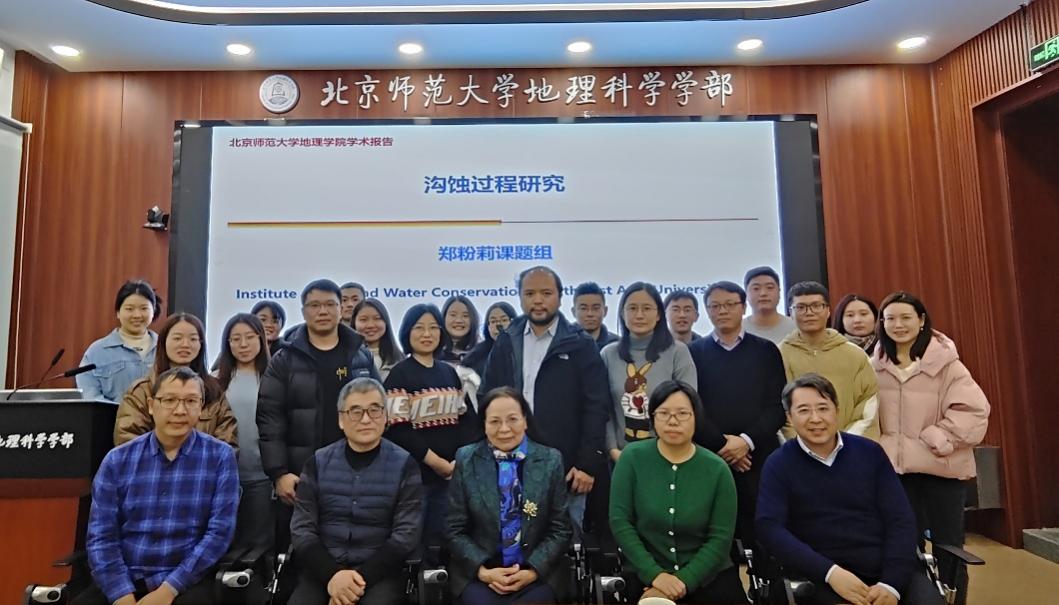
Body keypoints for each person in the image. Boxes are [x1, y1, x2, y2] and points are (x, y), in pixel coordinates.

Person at [756, 373, 941, 605]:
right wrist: (830, 573)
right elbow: (769, 528)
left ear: (837, 410)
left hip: (885, 569)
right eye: (803, 411)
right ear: (789, 418)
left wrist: (891, 584)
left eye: (823, 408)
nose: (815, 418)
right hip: (820, 576)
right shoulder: (779, 464)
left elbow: (900, 519)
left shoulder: (870, 453)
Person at [77, 367, 239, 605]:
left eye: (190, 401)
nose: (180, 410)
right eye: (169, 400)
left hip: (186, 582)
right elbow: (101, 537)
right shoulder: (117, 460)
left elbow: (219, 534)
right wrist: (120, 594)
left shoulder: (220, 457)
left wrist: (169, 590)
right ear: (151, 406)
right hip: (125, 578)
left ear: (201, 407)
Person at [873, 292, 990, 602]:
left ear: (922, 320)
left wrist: (939, 437)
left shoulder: (948, 364)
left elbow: (975, 411)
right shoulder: (875, 365)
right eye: (890, 318)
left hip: (942, 471)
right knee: (902, 546)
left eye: (906, 317)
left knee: (949, 548)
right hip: (896, 474)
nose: (898, 325)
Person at [256, 278, 380, 562]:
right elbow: (269, 419)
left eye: (329, 304)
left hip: (356, 473)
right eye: (314, 305)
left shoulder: (360, 355)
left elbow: (377, 411)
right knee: (304, 555)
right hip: (301, 476)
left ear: (341, 309)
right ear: (303, 311)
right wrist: (279, 473)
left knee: (355, 550)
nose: (322, 311)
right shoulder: (285, 359)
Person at [482, 266, 611, 531]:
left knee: (564, 539)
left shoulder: (580, 343)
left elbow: (596, 406)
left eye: (546, 293)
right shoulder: (507, 340)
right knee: (512, 539)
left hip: (566, 468)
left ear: (560, 297)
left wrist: (587, 464)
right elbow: (487, 397)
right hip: (510, 463)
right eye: (530, 293)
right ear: (520, 297)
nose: (538, 300)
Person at [289, 378, 423, 605]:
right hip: (323, 570)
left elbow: (406, 535)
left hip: (380, 573)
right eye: (356, 412)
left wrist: (355, 583)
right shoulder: (318, 463)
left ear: (385, 416)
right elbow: (302, 530)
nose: (366, 419)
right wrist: (333, 577)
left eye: (374, 410)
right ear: (341, 419)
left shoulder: (405, 465)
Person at [609, 380, 745, 604]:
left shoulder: (717, 469)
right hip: (645, 572)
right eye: (663, 413)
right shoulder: (632, 458)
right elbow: (620, 522)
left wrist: (683, 580)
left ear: (696, 418)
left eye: (682, 413)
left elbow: (720, 538)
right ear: (653, 417)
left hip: (708, 576)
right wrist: (655, 575)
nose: (673, 421)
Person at [447, 387, 573, 605]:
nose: (504, 429)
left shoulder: (550, 460)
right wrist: (484, 572)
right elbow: (454, 529)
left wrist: (533, 571)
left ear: (525, 421)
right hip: (481, 573)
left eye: (512, 419)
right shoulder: (467, 459)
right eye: (494, 421)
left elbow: (560, 528)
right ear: (484, 424)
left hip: (536, 573)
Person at [689, 281, 786, 545]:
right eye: (715, 306)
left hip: (759, 456)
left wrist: (745, 442)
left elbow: (777, 407)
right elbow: (692, 408)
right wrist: (723, 445)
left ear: (743, 308)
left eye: (730, 304)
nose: (722, 311)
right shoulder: (693, 353)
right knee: (716, 532)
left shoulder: (766, 350)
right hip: (710, 456)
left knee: (762, 532)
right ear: (707, 311)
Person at [385, 303, 481, 550]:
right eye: (419, 328)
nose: (427, 334)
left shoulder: (449, 373)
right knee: (416, 541)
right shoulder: (399, 374)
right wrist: (436, 462)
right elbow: (398, 429)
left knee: (446, 538)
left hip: (451, 476)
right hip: (415, 477)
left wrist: (457, 460)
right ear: (407, 332)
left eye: (433, 328)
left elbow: (465, 420)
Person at [601, 282, 697, 461]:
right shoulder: (608, 354)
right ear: (622, 313)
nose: (639, 315)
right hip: (621, 457)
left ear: (659, 314)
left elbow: (687, 407)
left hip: (668, 455)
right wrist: (612, 449)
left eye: (646, 308)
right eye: (632, 308)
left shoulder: (677, 352)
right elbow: (604, 409)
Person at [114, 313, 237, 448]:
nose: (185, 344)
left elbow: (227, 442)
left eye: (193, 339)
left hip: (204, 461)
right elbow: (128, 439)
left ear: (201, 344)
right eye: (177, 338)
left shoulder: (214, 390)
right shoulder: (142, 391)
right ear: (163, 342)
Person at [779, 281, 879, 440]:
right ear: (790, 313)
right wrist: (801, 445)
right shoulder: (778, 355)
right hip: (796, 448)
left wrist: (843, 444)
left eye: (816, 306)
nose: (809, 312)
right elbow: (776, 408)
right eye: (801, 307)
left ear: (828, 311)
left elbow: (868, 405)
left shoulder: (855, 355)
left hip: (849, 447)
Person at [214, 313, 273, 554]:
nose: (243, 344)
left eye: (250, 337)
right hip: (224, 477)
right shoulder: (216, 381)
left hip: (263, 476)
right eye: (236, 339)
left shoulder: (274, 377)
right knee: (226, 544)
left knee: (258, 547)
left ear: (261, 339)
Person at [77, 280, 160, 403]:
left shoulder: (165, 347)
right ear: (118, 312)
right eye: (129, 309)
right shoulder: (97, 352)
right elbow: (89, 396)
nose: (137, 315)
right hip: (111, 416)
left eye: (144, 308)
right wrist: (122, 411)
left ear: (153, 310)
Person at [461, 301, 517, 379]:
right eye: (493, 321)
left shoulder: (524, 349)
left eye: (504, 320)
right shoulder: (476, 356)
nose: (498, 325)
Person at [352, 298, 404, 381]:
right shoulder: (345, 357)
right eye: (363, 320)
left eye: (377, 318)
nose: (370, 325)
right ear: (354, 322)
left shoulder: (400, 360)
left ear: (386, 322)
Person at [743, 266, 797, 345]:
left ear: (779, 292)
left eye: (769, 287)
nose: (763, 293)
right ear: (746, 294)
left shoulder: (796, 328)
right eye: (756, 288)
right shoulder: (737, 330)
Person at [572, 282, 618, 351]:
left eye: (595, 308)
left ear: (605, 311)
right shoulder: (562, 343)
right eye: (583, 308)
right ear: (573, 312)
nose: (590, 314)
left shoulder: (617, 345)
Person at [441, 295, 481, 363]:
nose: (459, 320)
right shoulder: (432, 352)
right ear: (444, 317)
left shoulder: (484, 352)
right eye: (453, 315)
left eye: (465, 316)